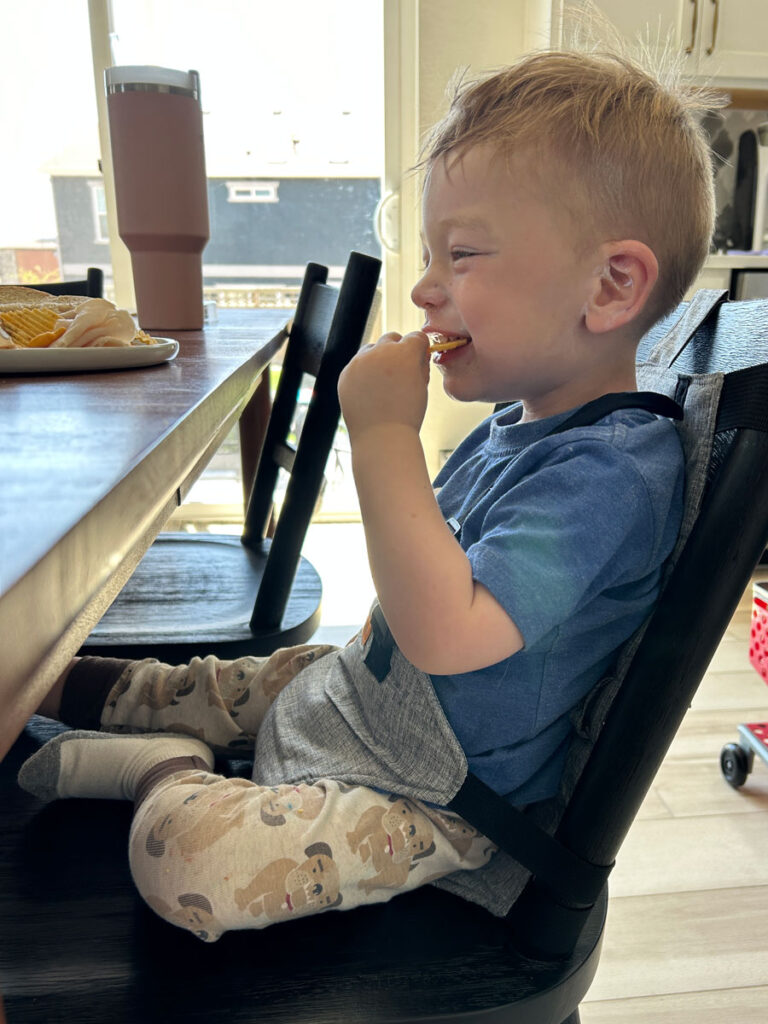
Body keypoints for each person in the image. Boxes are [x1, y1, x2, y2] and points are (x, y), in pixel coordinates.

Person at [19, 47, 717, 942]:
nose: (426, 287)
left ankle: (162, 765)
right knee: (246, 678)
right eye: (431, 253)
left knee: (191, 863)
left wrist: (383, 434)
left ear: (611, 286)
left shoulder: (613, 475)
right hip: (374, 701)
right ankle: (55, 685)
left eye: (461, 254)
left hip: (433, 793)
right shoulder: (525, 424)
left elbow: (446, 632)